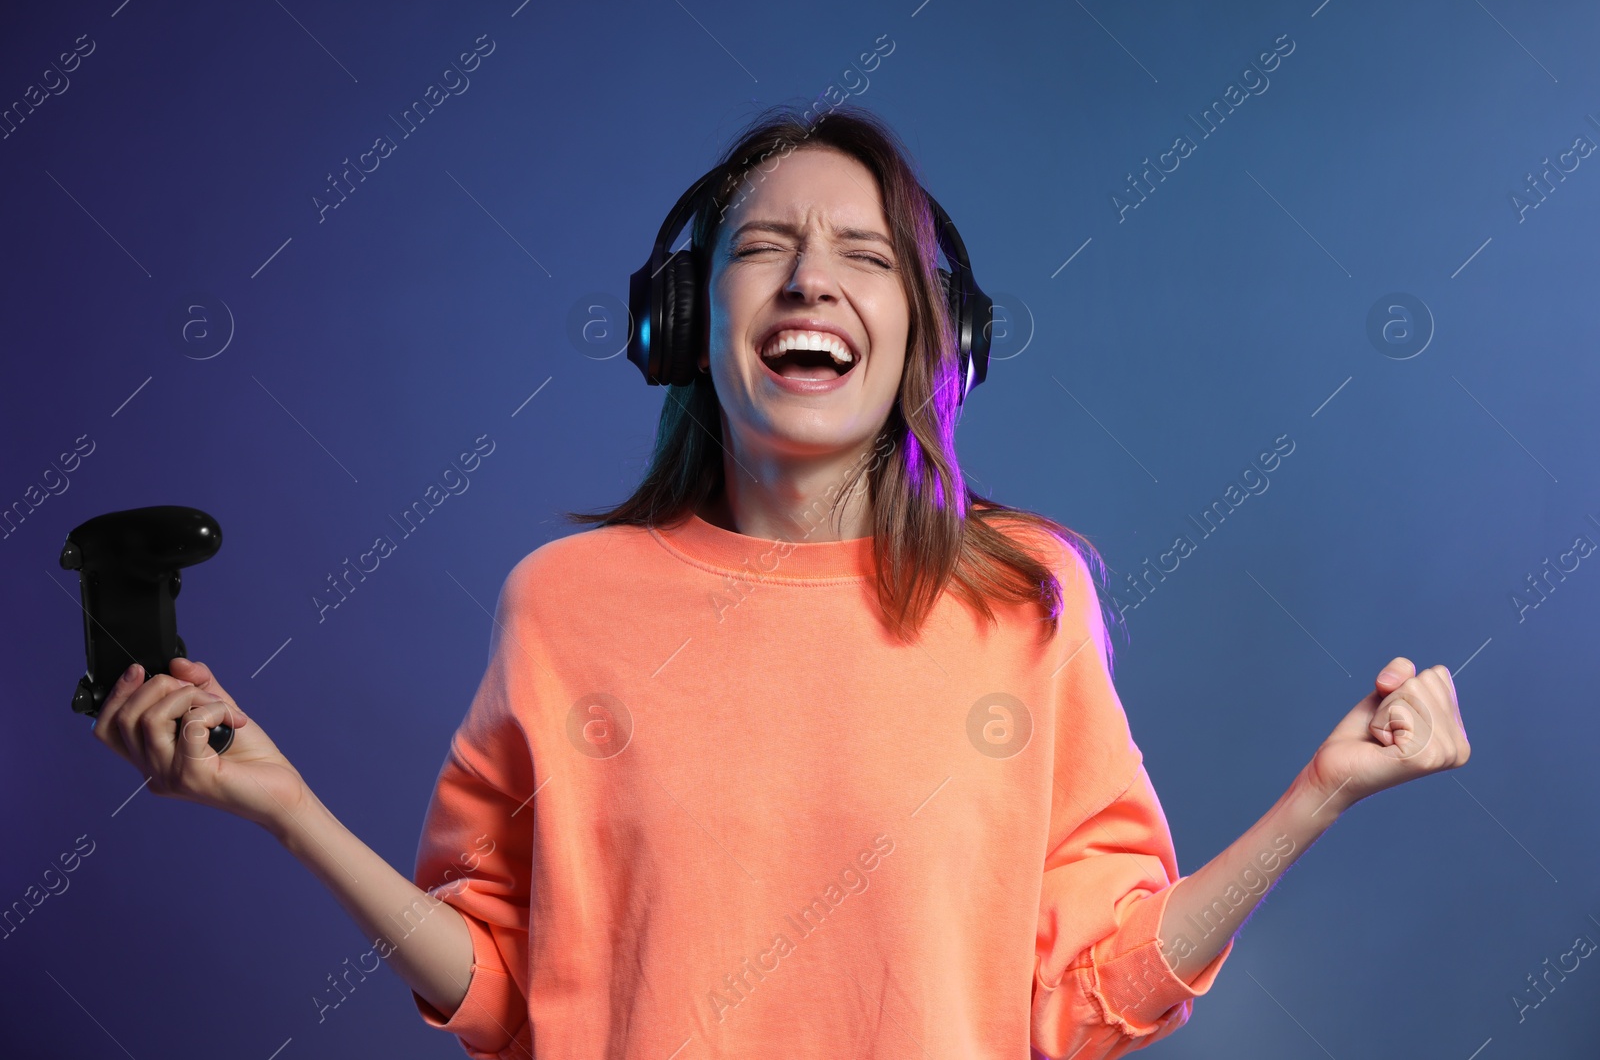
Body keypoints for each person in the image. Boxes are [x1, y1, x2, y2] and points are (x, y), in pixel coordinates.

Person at [89, 104, 1470, 1059]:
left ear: (933, 342)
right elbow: (505, 994)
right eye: (764, 250)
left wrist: (1318, 800)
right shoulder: (564, 601)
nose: (812, 283)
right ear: (686, 324)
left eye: (865, 258)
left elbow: (1084, 999)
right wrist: (285, 811)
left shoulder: (1025, 599)